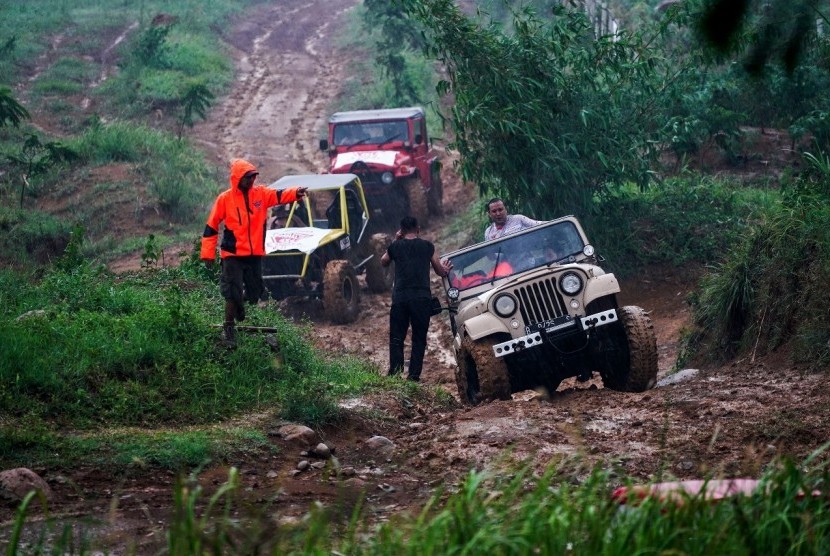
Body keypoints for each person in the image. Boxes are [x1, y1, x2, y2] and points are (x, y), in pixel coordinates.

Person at [201, 158, 308, 347]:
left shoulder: (260, 194)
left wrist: (296, 193)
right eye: (247, 177)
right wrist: (208, 254)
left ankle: (240, 307)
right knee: (232, 292)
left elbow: (279, 195)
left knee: (255, 291)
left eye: (253, 177)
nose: (251, 181)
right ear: (237, 178)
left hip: (254, 255)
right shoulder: (224, 199)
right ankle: (229, 329)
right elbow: (211, 227)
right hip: (232, 255)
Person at [381, 216, 452, 382]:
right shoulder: (428, 246)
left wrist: (395, 239)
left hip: (400, 298)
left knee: (397, 336)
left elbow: (383, 261)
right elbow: (440, 271)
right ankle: (413, 376)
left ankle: (395, 373)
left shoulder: (395, 246)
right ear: (418, 229)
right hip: (421, 298)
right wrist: (446, 269)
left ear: (402, 230)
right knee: (419, 338)